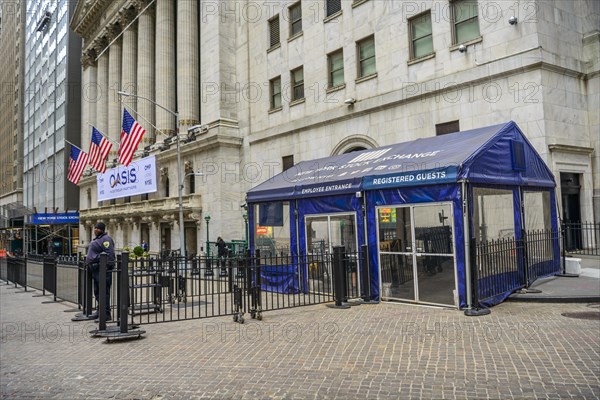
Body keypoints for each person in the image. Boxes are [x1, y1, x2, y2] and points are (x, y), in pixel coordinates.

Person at [85, 222, 115, 320]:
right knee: (97, 292)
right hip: (95, 270)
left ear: (102, 229)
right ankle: (99, 311)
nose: (95, 230)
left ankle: (106, 314)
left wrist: (106, 267)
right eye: (95, 228)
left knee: (104, 292)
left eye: (97, 228)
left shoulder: (106, 239)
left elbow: (109, 254)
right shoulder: (98, 239)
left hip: (102, 270)